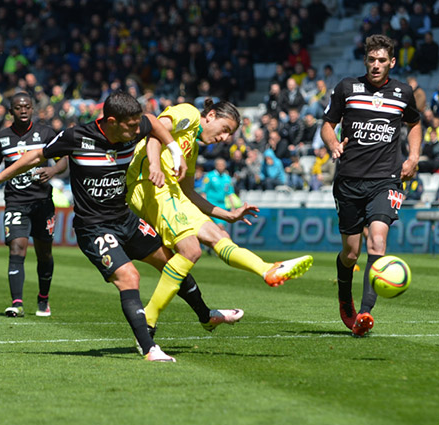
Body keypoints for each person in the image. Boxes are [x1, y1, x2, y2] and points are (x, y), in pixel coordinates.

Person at [0, 91, 188, 362]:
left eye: (137, 126)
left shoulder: (134, 124)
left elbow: (152, 122)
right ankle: (149, 349)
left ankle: (207, 314)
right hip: (92, 226)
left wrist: (175, 150)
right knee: (129, 277)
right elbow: (35, 156)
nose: (137, 131)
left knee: (172, 262)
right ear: (112, 121)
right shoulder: (75, 136)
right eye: (131, 126)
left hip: (125, 218)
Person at [126, 100, 313, 331]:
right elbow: (155, 130)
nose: (224, 138)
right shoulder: (189, 114)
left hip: (170, 191)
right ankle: (149, 319)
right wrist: (155, 163)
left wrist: (228, 215)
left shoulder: (192, 147)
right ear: (211, 115)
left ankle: (266, 269)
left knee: (217, 234)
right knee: (191, 249)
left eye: (230, 135)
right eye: (225, 129)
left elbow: (188, 193)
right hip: (148, 185)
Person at [320, 34, 421, 337]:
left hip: (386, 179)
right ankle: (344, 299)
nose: (376, 65)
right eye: (371, 60)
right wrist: (333, 143)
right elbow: (327, 123)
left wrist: (414, 156)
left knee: (378, 241)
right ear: (365, 60)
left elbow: (415, 124)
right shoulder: (347, 88)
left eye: (382, 60)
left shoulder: (403, 92)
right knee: (351, 254)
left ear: (392, 62)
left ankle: (364, 313)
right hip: (349, 179)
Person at [0, 92, 68, 318]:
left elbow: (63, 160)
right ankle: (16, 302)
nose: (24, 110)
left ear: (33, 109)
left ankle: (43, 298)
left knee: (44, 254)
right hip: (16, 202)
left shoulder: (46, 133)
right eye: (18, 107)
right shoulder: (2, 138)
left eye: (27, 106)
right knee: (17, 247)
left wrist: (53, 170)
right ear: (11, 112)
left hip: (43, 202)